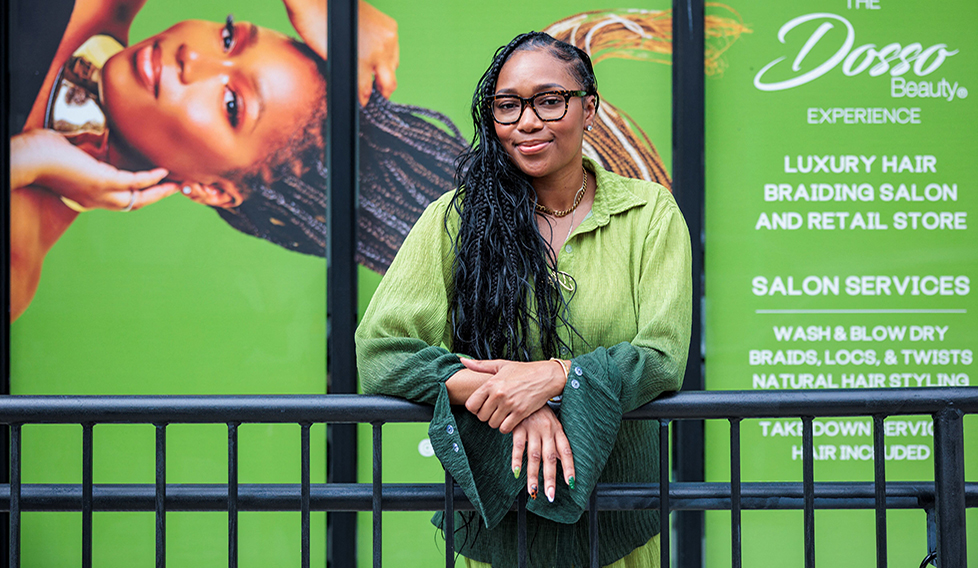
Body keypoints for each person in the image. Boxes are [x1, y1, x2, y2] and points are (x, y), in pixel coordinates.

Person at [356, 31, 692, 567]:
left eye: (549, 101)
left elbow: (661, 358)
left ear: (590, 107)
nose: (527, 122)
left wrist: (555, 377)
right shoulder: (457, 218)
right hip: (496, 526)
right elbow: (381, 353)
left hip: (618, 521)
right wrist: (511, 402)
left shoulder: (649, 215)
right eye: (507, 106)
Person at [8, 0, 399, 321]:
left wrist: (25, 161)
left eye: (232, 104)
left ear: (210, 190)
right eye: (228, 37)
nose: (192, 56)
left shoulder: (15, 260)